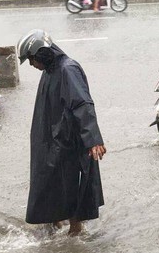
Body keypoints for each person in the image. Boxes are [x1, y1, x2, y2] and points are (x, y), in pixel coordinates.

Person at [17, 29, 107, 236]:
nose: (32, 65)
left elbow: (82, 104)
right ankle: (55, 222)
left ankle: (75, 232)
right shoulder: (50, 71)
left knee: (71, 186)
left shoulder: (68, 69)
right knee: (50, 182)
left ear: (41, 53)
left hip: (69, 142)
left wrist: (93, 139)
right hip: (53, 141)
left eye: (32, 59)